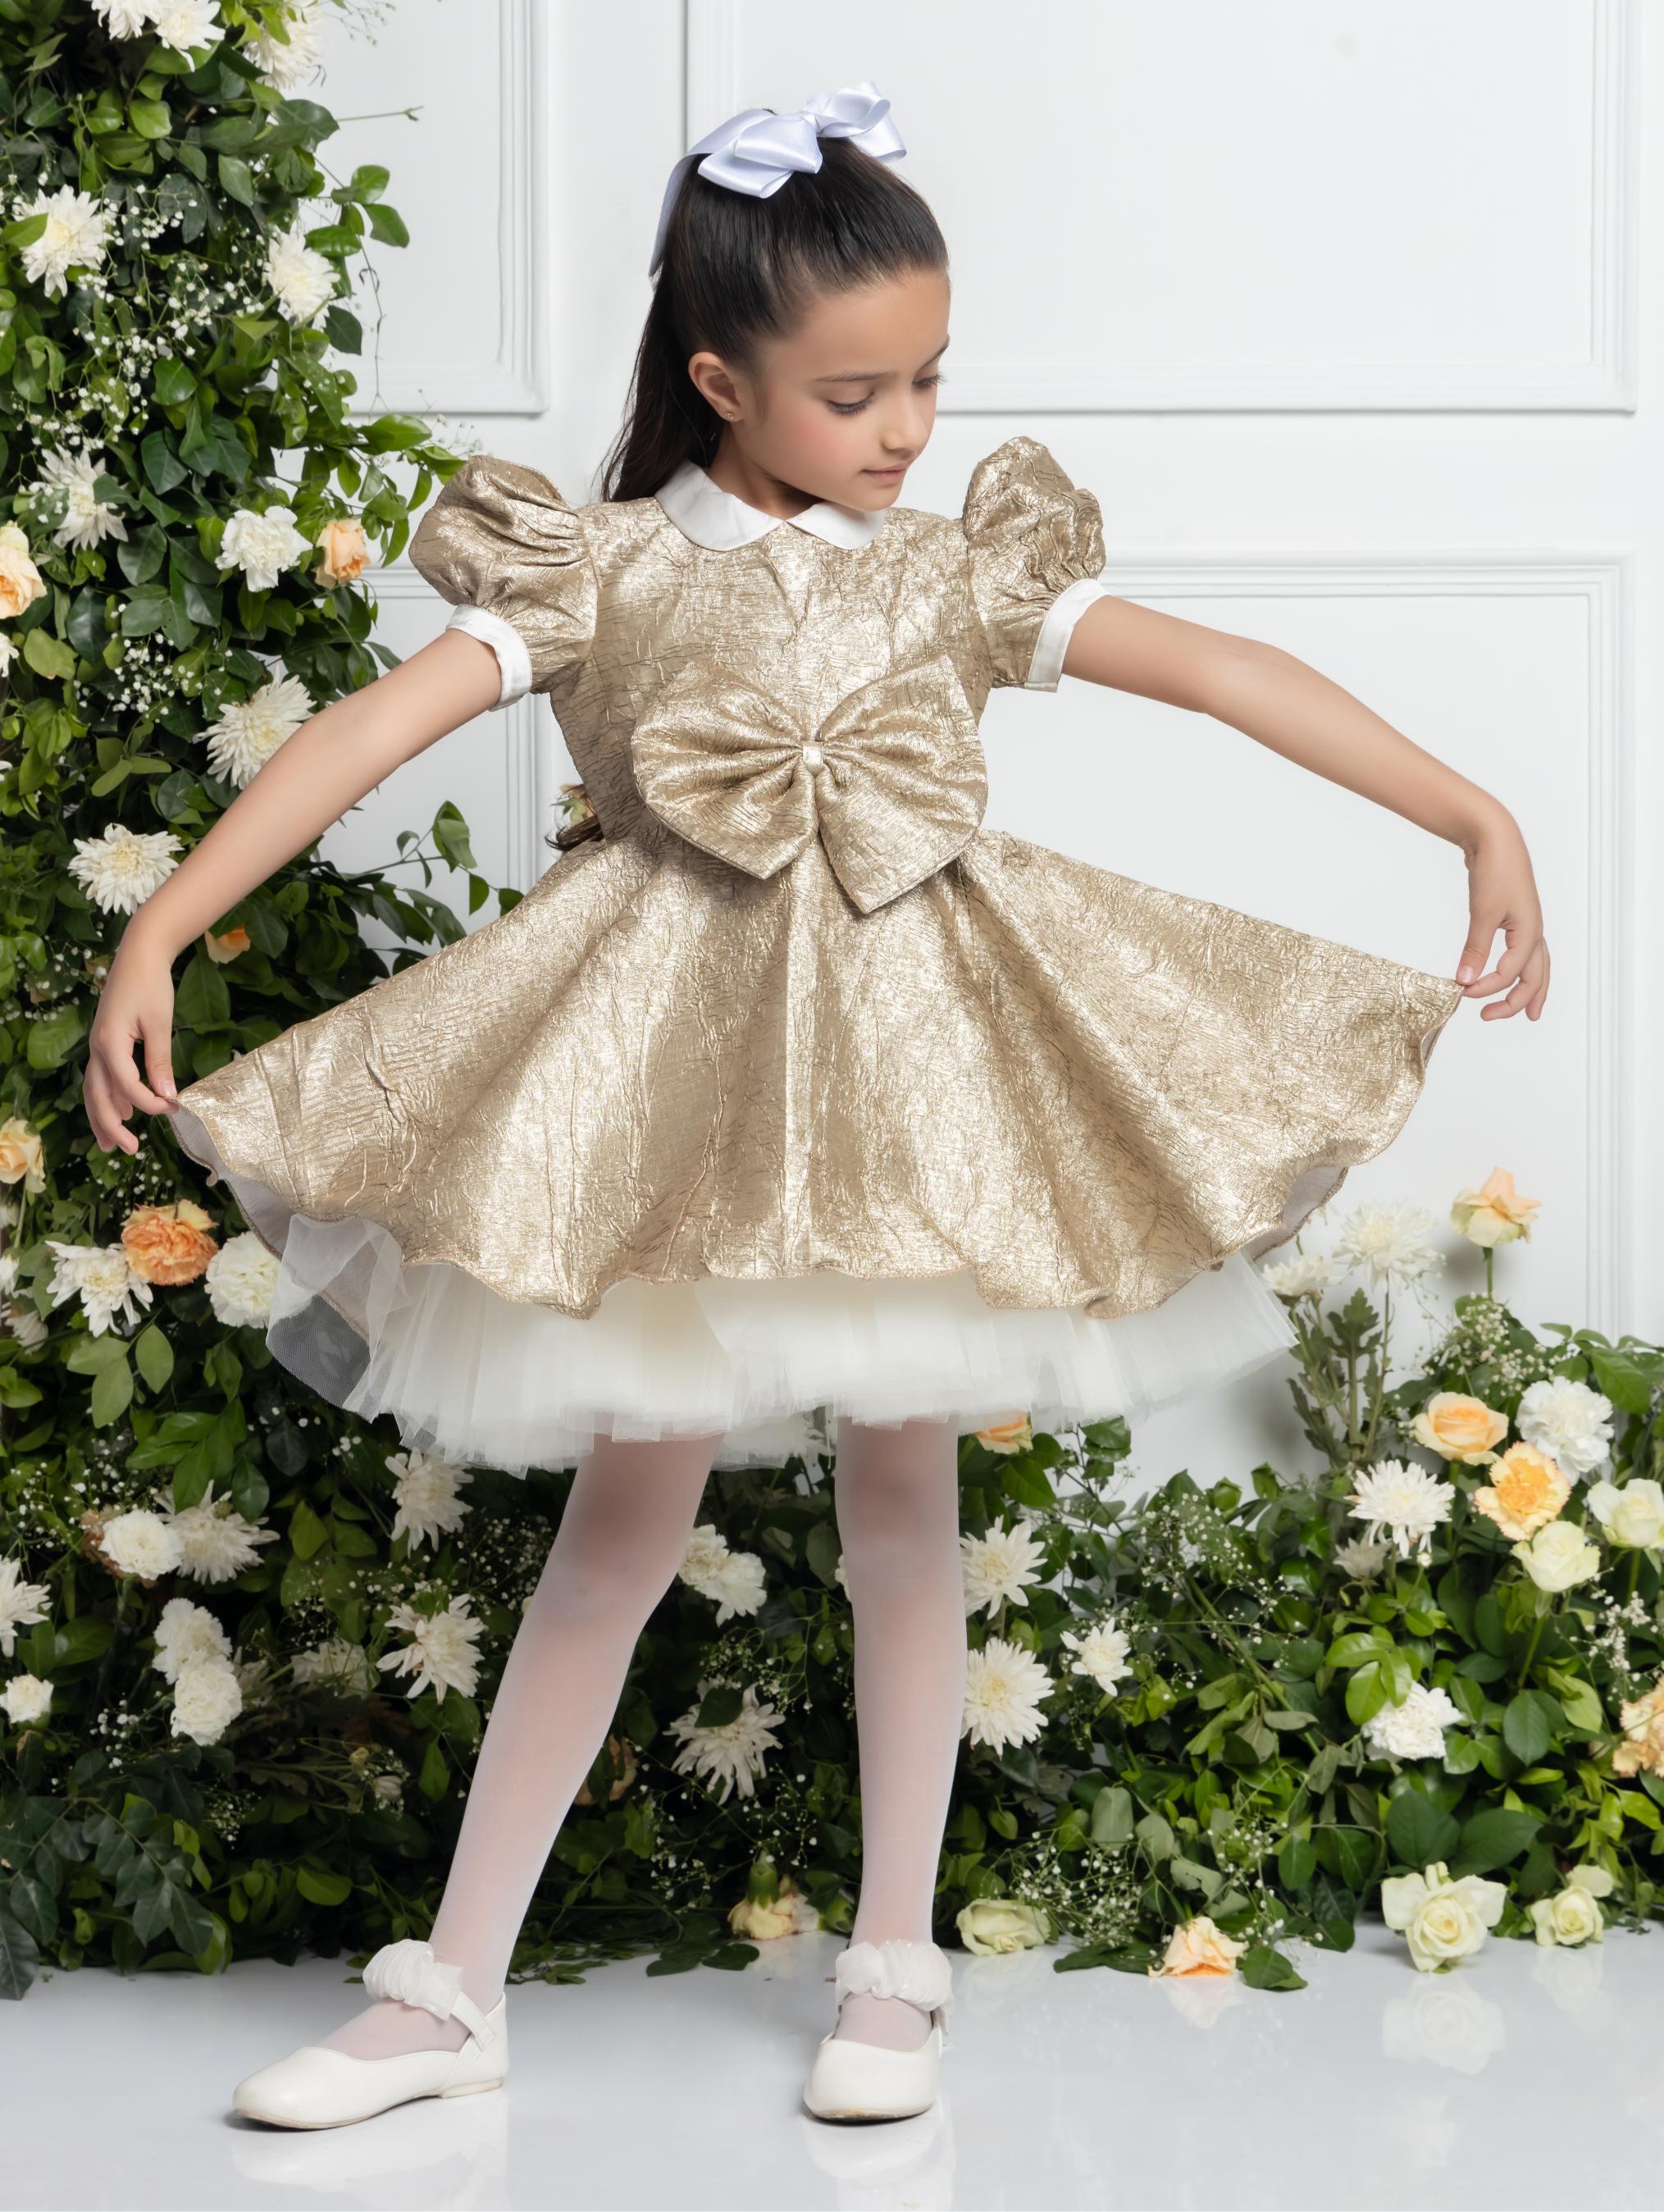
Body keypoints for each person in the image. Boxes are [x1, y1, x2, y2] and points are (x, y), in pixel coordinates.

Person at [81, 80, 1548, 2130]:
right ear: (719, 380)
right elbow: (368, 730)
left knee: (902, 1507)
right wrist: (162, 923)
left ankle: (893, 1963)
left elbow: (1217, 670)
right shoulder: (597, 569)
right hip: (674, 1104)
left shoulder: (949, 572)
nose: (905, 427)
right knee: (619, 1519)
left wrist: (1468, 809)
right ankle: (450, 1988)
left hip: (912, 1098)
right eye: (856, 392)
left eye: (928, 379)